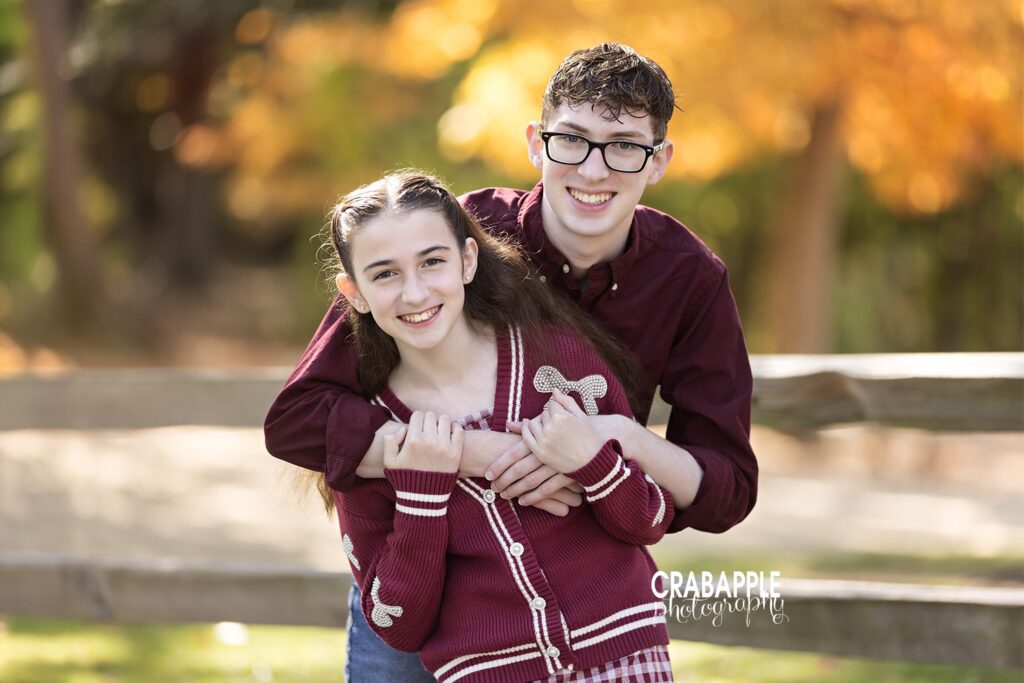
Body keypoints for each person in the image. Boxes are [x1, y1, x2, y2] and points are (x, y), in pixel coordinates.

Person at [266, 42, 758, 680]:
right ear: (535, 143)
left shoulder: (689, 278)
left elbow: (725, 486)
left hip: (587, 594)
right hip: (425, 571)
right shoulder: (446, 238)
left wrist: (612, 440)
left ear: (658, 160)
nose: (593, 170)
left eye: (624, 146)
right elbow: (298, 421)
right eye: (571, 140)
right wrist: (475, 453)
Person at [326, 170, 675, 682]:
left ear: (467, 260)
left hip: (625, 662)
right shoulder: (369, 438)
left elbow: (651, 520)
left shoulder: (557, 362)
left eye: (432, 262)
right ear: (354, 293)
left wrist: (592, 462)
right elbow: (397, 624)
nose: (415, 293)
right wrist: (422, 496)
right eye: (385, 275)